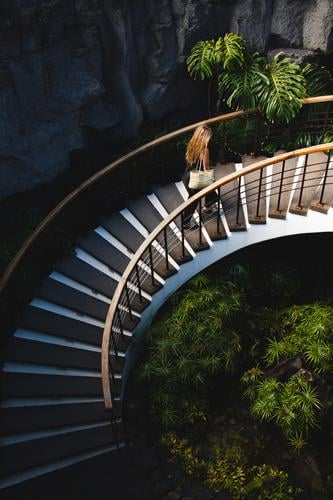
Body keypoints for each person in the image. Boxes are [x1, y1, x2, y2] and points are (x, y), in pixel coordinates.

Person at [182, 124, 216, 229]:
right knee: (194, 200)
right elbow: (206, 168)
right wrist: (212, 176)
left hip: (188, 175)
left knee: (209, 189)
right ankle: (186, 223)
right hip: (197, 178)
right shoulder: (205, 150)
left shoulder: (192, 144)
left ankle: (208, 207)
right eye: (209, 136)